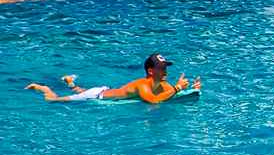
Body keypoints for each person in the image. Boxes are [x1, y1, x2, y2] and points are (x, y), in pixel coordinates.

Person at [26, 53, 198, 103]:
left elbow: (171, 93)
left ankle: (70, 81)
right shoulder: (142, 85)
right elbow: (153, 101)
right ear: (151, 71)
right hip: (96, 95)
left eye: (166, 67)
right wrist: (177, 89)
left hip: (104, 91)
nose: (165, 71)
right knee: (53, 100)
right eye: (162, 68)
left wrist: (192, 89)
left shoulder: (161, 83)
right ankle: (44, 88)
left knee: (80, 90)